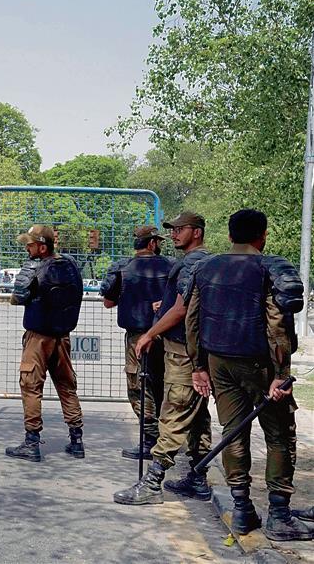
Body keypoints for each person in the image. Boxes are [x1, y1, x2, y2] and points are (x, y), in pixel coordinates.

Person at [185, 209, 310, 542]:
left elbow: (192, 320)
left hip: (217, 363)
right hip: (259, 364)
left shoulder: (205, 267)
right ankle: (280, 516)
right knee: (279, 436)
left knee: (232, 431)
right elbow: (276, 323)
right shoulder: (267, 268)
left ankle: (241, 510)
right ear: (263, 235)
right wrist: (280, 373)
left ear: (229, 236)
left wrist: (198, 366)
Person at [114, 211, 211, 505]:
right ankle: (198, 477)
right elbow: (181, 303)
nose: (173, 234)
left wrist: (150, 333)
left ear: (196, 232)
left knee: (174, 412)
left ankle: (153, 482)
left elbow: (182, 310)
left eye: (180, 229)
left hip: (184, 351)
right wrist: (163, 305)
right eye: (172, 229)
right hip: (188, 349)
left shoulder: (195, 262)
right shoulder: (193, 262)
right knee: (197, 416)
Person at [4, 224, 85, 462]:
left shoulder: (34, 268)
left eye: (30, 245)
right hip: (62, 336)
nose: (27, 249)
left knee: (30, 385)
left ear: (42, 246)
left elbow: (17, 297)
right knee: (66, 386)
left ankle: (32, 442)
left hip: (38, 337)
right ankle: (76, 439)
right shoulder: (70, 265)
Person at [100, 226, 174, 459]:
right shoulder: (172, 266)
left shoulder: (122, 268)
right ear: (152, 244)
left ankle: (150, 439)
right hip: (168, 334)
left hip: (136, 337)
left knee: (139, 386)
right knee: (165, 383)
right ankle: (167, 437)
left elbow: (108, 303)